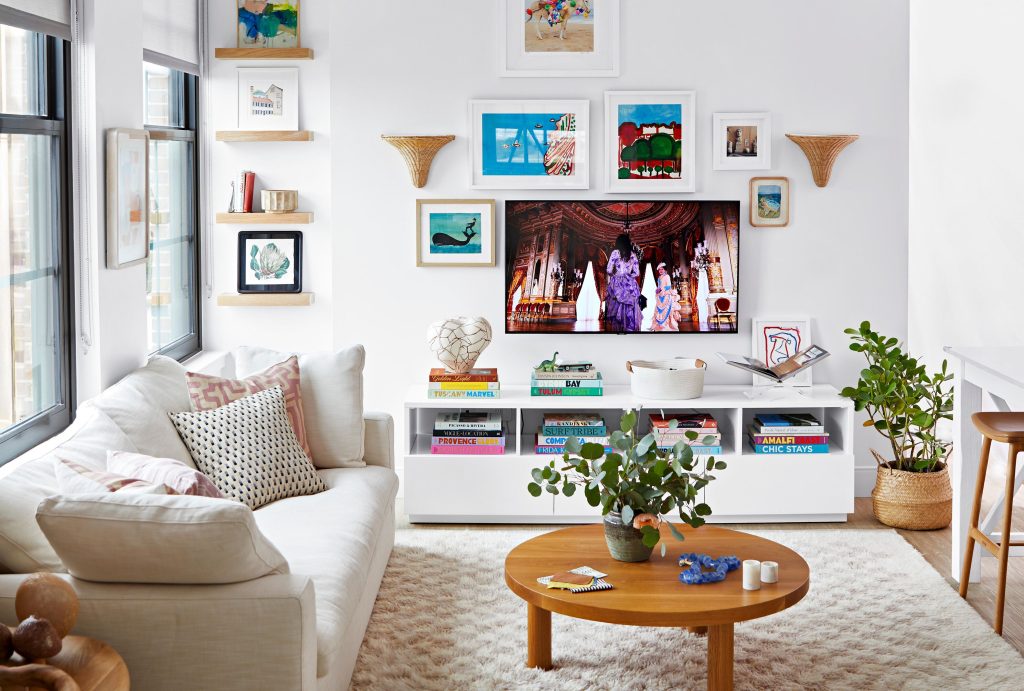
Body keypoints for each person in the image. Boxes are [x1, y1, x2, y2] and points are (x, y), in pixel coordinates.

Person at [605, 233, 641, 332]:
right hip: (630, 284)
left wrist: (615, 275)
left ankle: (619, 332)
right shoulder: (633, 254)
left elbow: (608, 269)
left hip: (617, 283)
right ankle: (630, 330)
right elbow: (637, 273)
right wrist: (629, 276)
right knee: (630, 306)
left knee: (617, 306)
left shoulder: (615, 252)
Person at [652, 262, 682, 332]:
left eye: (662, 269)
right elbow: (659, 286)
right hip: (660, 296)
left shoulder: (667, 276)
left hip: (666, 295)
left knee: (666, 310)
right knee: (659, 311)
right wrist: (657, 290)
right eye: (659, 270)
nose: (660, 271)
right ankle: (660, 327)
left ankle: (667, 327)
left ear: (664, 270)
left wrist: (662, 290)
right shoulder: (659, 277)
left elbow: (668, 286)